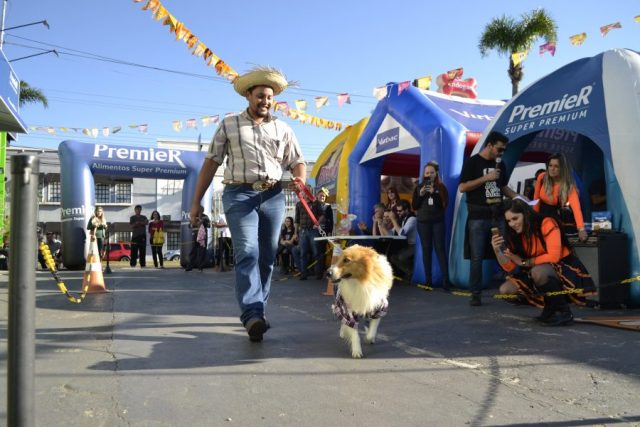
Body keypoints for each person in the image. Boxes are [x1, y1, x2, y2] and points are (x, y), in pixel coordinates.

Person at [189, 65, 306, 342]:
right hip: (239, 194)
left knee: (267, 257)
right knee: (248, 252)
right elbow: (211, 163)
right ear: (248, 96)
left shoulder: (283, 128)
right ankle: (252, 314)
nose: (265, 101)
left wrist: (300, 180)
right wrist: (196, 203)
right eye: (260, 96)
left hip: (273, 195)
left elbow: (297, 161)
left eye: (269, 97)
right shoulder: (229, 125)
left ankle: (258, 313)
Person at [491, 199, 595, 326]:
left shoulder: (546, 222)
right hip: (534, 270)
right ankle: (550, 308)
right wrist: (497, 251)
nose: (512, 224)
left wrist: (525, 262)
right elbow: (510, 267)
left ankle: (564, 312)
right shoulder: (513, 234)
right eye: (508, 221)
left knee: (538, 272)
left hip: (563, 268)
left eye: (515, 218)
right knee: (505, 290)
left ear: (525, 214)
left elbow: (554, 257)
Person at [459, 131, 517, 306]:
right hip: (478, 216)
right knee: (476, 256)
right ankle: (475, 294)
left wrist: (518, 197)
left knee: (505, 252)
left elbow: (503, 187)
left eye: (504, 150)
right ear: (489, 145)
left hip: (497, 214)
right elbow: (462, 187)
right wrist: (486, 178)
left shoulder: (501, 164)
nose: (502, 153)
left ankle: (514, 289)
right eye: (499, 149)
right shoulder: (472, 162)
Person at [412, 161, 451, 291]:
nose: (429, 175)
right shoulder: (419, 187)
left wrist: (434, 193)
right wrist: (421, 194)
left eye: (432, 172)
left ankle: (446, 280)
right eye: (427, 172)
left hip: (438, 222)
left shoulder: (441, 187)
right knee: (426, 250)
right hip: (423, 222)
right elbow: (415, 206)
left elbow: (444, 205)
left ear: (436, 173)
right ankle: (428, 281)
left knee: (440, 249)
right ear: (424, 174)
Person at [533, 153, 588, 242]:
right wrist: (533, 220)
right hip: (541, 216)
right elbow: (536, 201)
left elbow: (576, 208)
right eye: (550, 165)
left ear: (562, 169)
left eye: (556, 166)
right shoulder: (542, 177)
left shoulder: (569, 186)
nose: (552, 169)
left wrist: (581, 229)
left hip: (557, 219)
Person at [294, 186, 324, 280]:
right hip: (303, 230)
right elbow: (297, 219)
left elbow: (322, 215)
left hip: (313, 230)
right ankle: (303, 273)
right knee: (303, 253)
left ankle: (318, 273)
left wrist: (317, 223)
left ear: (310, 192)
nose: (306, 193)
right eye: (304, 191)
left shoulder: (315, 202)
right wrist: (295, 233)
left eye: (308, 191)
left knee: (316, 252)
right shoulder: (299, 204)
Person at [388, 199, 417, 280]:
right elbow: (391, 233)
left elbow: (402, 233)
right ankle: (409, 272)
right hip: (407, 245)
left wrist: (393, 220)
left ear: (407, 210)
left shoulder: (412, 219)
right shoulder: (402, 219)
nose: (398, 213)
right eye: (397, 211)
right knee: (392, 257)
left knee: (400, 257)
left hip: (414, 245)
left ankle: (410, 272)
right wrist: (381, 225)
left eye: (400, 211)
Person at [315, 187, 334, 277]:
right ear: (317, 196)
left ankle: (321, 271)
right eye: (321, 195)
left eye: (324, 196)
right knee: (316, 251)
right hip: (315, 231)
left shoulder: (328, 206)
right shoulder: (314, 205)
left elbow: (331, 220)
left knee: (323, 251)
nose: (322, 197)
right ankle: (316, 271)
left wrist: (329, 231)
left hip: (325, 231)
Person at [186, 205, 210, 272]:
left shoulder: (205, 216)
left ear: (202, 210)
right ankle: (190, 267)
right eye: (198, 209)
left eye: (200, 210)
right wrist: (193, 223)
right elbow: (189, 226)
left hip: (203, 236)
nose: (199, 211)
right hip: (195, 235)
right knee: (193, 251)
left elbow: (209, 225)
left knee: (202, 251)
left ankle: (200, 267)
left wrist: (203, 222)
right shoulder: (193, 217)